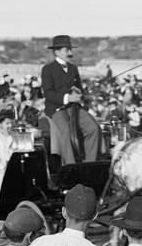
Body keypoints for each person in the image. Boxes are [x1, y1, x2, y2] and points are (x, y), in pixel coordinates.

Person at [40, 35, 104, 165]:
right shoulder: (47, 69)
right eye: (67, 50)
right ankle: (71, 165)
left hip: (74, 108)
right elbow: (48, 93)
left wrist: (79, 93)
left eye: (70, 50)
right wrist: (67, 97)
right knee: (66, 132)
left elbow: (79, 88)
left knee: (94, 128)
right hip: (56, 109)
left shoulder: (74, 68)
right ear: (57, 52)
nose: (70, 53)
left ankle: (88, 164)